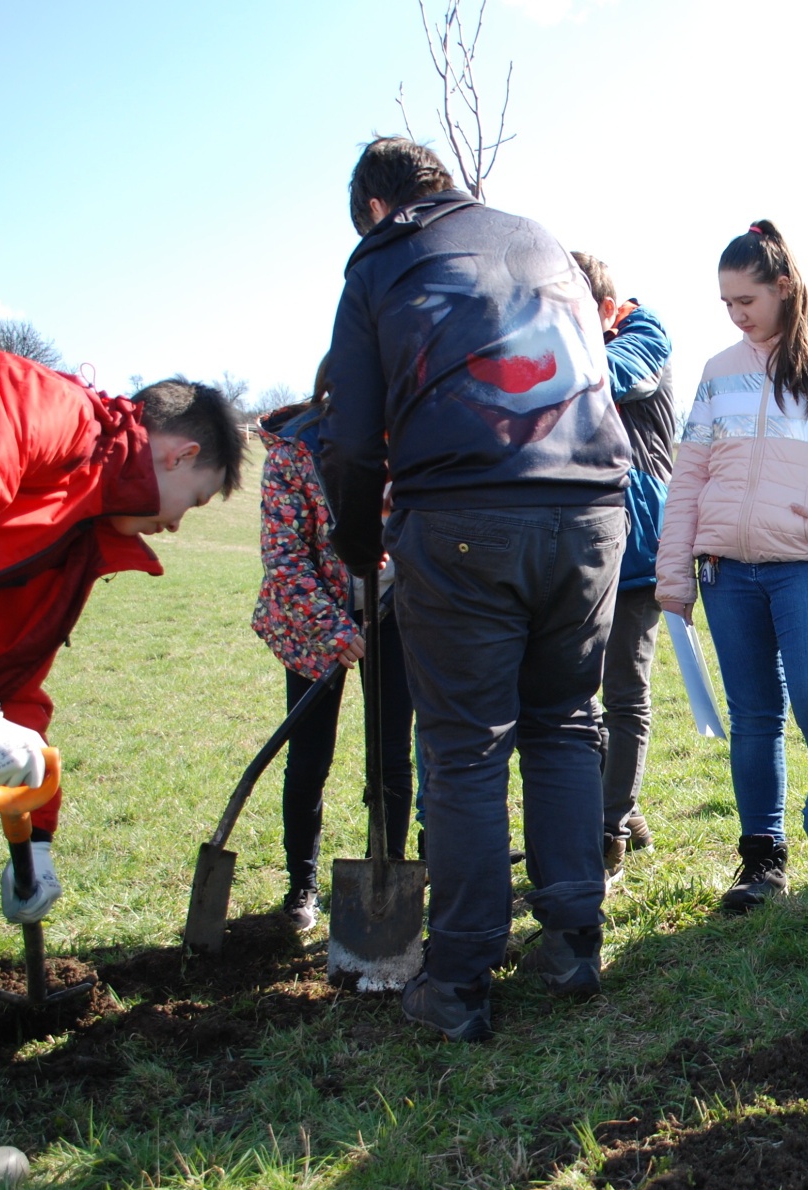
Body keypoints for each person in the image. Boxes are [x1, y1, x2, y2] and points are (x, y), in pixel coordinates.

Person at [0, 342, 243, 1190]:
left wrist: (42, 841)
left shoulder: (76, 521)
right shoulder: (26, 402)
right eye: (195, 500)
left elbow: (14, 674)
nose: (179, 526)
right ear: (176, 453)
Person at [320, 138, 630, 1041]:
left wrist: (356, 540)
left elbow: (350, 434)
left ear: (376, 206)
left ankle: (457, 978)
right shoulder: (539, 240)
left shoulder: (380, 261)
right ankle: (575, 940)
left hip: (463, 516)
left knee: (463, 746)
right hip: (591, 514)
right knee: (565, 719)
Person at [655, 221, 808, 913]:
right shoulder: (716, 372)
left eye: (747, 300)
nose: (736, 315)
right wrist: (675, 573)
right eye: (726, 303)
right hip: (727, 572)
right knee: (754, 716)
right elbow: (689, 477)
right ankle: (762, 859)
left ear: (785, 288)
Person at [252, 375, 412, 933]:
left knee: (391, 755)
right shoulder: (294, 455)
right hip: (312, 622)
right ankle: (301, 888)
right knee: (310, 757)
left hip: (393, 614)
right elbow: (285, 554)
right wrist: (333, 628)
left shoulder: (408, 437)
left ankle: (388, 876)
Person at [570, 252, 675, 879]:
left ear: (607, 310)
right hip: (580, 550)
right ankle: (623, 811)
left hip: (638, 550)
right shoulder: (585, 344)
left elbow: (616, 377)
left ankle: (608, 829)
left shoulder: (647, 333)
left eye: (577, 315)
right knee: (580, 694)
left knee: (626, 692)